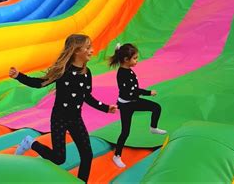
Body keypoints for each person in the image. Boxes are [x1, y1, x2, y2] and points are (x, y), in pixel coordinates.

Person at [9, 34, 118, 182]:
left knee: (87, 155)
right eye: (87, 47)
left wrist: (106, 108)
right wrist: (18, 76)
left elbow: (87, 97)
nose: (91, 50)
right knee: (59, 158)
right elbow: (38, 83)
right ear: (76, 51)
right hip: (59, 118)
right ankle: (30, 142)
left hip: (75, 119)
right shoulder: (62, 71)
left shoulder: (87, 73)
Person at [108, 43, 166, 168]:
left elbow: (134, 90)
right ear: (126, 60)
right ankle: (116, 156)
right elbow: (133, 91)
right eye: (135, 58)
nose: (137, 60)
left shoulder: (128, 70)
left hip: (134, 101)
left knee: (156, 107)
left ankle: (153, 128)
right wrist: (149, 92)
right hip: (126, 105)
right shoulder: (122, 74)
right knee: (125, 132)